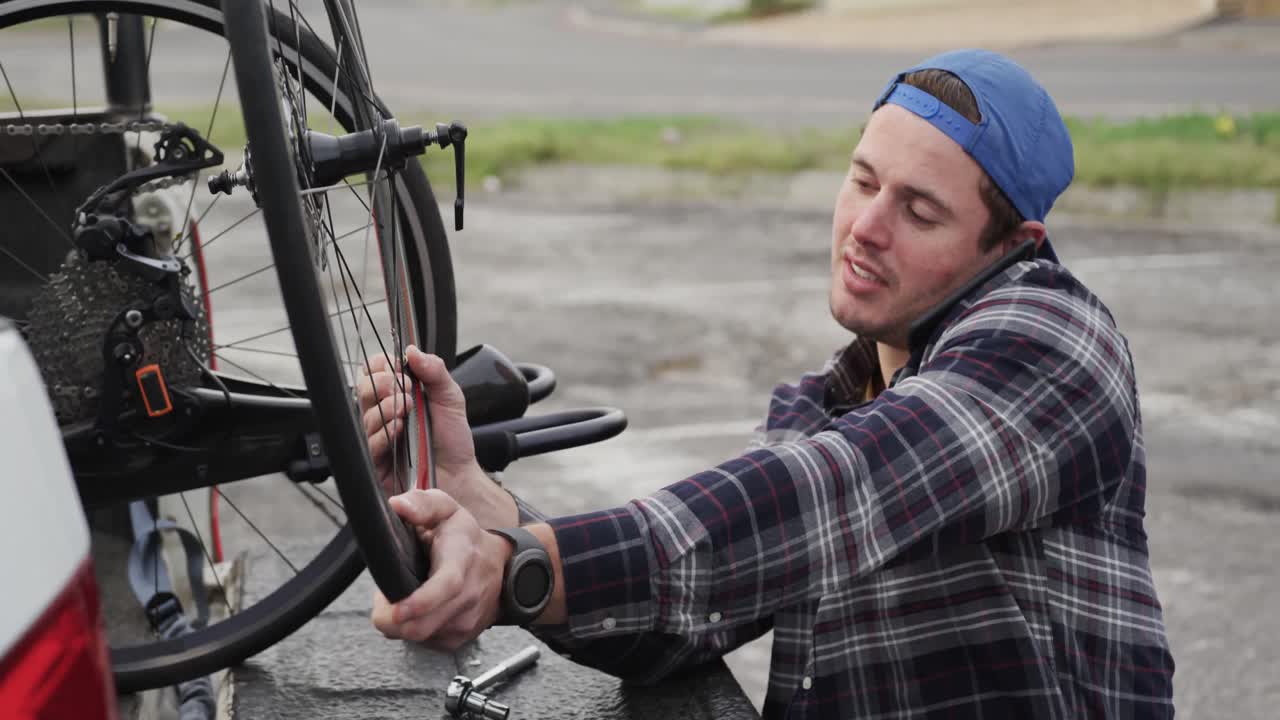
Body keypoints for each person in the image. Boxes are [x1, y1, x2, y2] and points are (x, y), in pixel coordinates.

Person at [357, 49, 1176, 718]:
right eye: (862, 181)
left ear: (1011, 247)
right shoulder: (826, 404)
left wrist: (511, 567)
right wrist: (480, 501)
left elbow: (831, 494)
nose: (866, 227)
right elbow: (679, 620)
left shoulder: (1053, 341)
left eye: (920, 212)